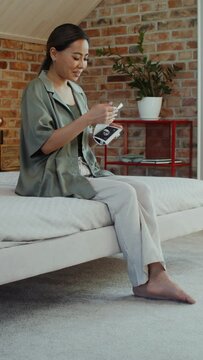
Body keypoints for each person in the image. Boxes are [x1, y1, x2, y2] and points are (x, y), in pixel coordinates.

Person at [15, 23, 195, 304]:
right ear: (53, 52)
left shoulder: (77, 91)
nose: (82, 65)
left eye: (86, 58)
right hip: (50, 176)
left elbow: (79, 142)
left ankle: (158, 272)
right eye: (76, 57)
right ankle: (143, 281)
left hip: (84, 169)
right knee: (123, 193)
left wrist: (98, 132)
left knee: (142, 190)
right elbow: (46, 145)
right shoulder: (36, 91)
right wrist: (87, 118)